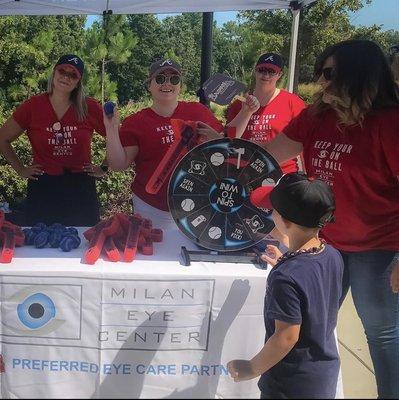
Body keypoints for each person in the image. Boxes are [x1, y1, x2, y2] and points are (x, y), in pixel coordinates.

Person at [251, 39, 398, 398]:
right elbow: (269, 154)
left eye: (330, 74)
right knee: (311, 327)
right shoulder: (318, 115)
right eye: (321, 74)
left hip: (379, 246)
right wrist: (227, 153)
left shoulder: (391, 122)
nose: (322, 83)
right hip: (325, 246)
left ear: (360, 75)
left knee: (381, 333)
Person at [227, 172, 343, 399]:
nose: (271, 213)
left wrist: (252, 368)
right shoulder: (333, 255)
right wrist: (286, 261)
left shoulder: (286, 277)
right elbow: (311, 285)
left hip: (290, 384)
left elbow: (286, 337)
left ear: (285, 221)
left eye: (273, 210)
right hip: (322, 373)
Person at [104, 58, 224, 221]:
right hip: (151, 206)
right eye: (160, 79)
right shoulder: (136, 122)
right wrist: (111, 128)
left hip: (197, 203)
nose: (167, 84)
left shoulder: (199, 112)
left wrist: (217, 139)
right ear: (149, 85)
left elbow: (226, 149)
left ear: (180, 85)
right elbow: (118, 165)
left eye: (174, 79)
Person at [0, 54, 107, 227]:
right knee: (39, 245)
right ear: (54, 72)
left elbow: (119, 137)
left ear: (78, 81)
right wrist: (20, 169)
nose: (66, 76)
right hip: (44, 187)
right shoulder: (33, 106)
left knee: (82, 245)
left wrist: (104, 167)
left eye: (73, 74)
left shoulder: (89, 107)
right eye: (62, 70)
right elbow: (2, 138)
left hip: (80, 188)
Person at [226, 52, 306, 174]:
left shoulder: (293, 103)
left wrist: (309, 177)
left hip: (282, 173)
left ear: (279, 75)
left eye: (271, 71)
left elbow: (303, 143)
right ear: (255, 71)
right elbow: (229, 140)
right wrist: (245, 112)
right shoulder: (239, 105)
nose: (266, 75)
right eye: (262, 70)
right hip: (245, 173)